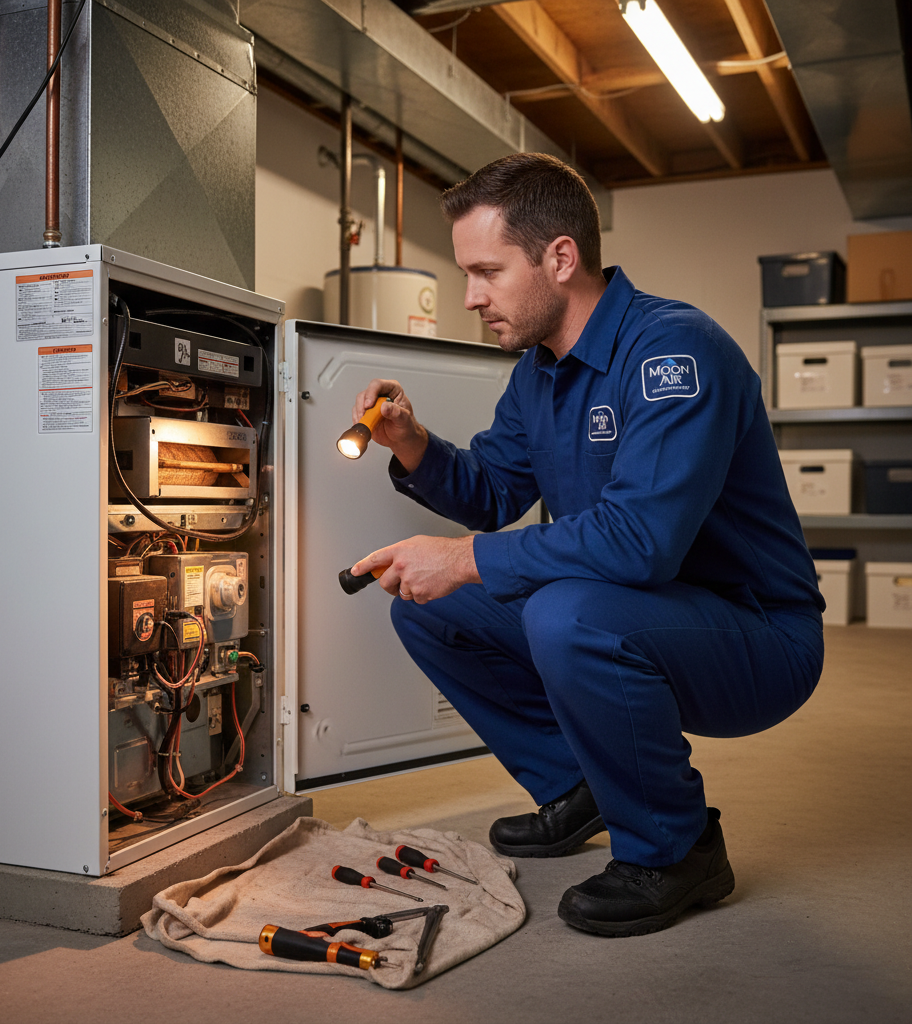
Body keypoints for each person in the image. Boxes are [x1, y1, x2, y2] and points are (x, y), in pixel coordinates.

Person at [348, 152, 824, 938]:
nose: (471, 297)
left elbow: (640, 542)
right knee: (430, 609)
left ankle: (678, 848)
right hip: (637, 608)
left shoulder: (674, 351)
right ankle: (584, 785)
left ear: (561, 258)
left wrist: (461, 559)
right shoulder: (540, 372)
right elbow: (493, 492)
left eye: (487, 272)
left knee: (565, 614)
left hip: (757, 636)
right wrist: (411, 442)